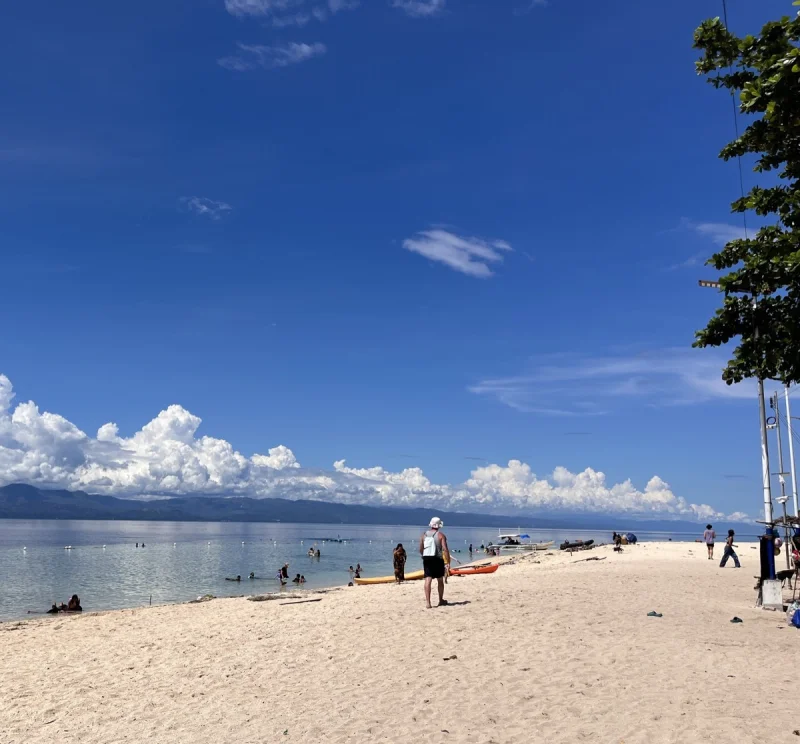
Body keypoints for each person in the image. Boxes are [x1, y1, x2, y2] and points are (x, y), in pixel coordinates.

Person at [419, 517, 449, 609]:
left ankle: (428, 603)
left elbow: (421, 548)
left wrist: (424, 555)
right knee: (440, 579)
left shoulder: (424, 535)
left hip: (427, 558)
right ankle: (440, 600)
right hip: (437, 559)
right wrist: (447, 562)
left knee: (428, 579)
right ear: (439, 525)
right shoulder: (441, 535)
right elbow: (445, 549)